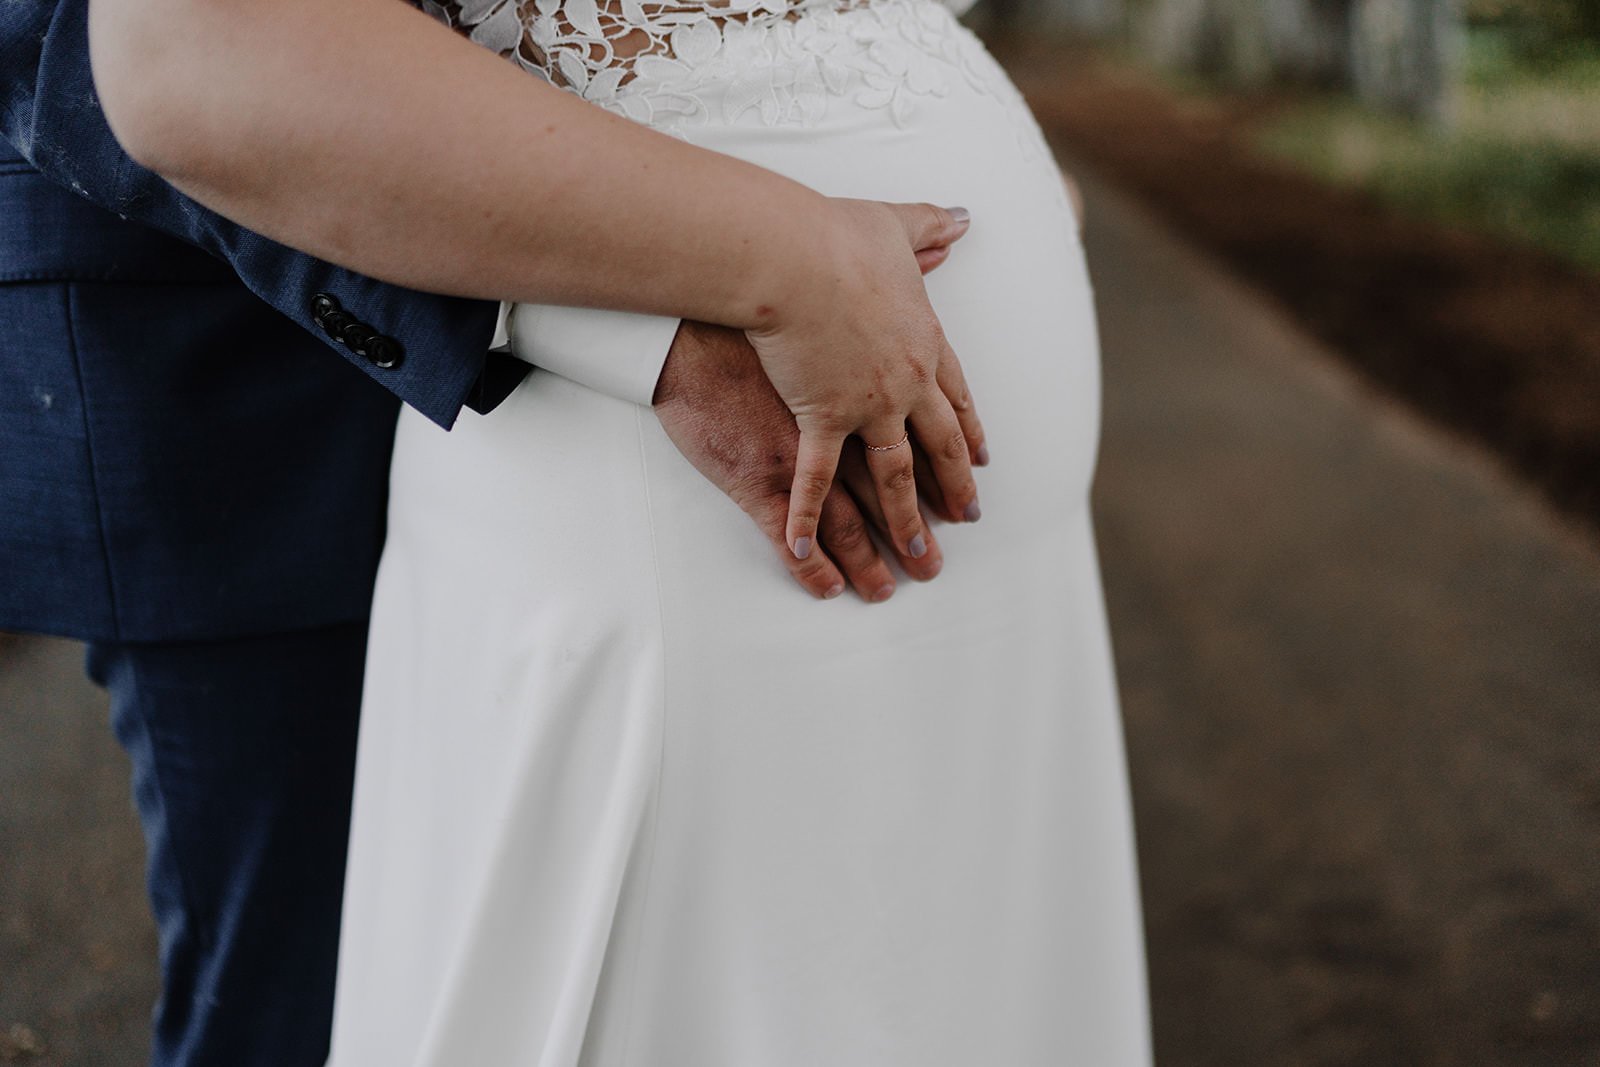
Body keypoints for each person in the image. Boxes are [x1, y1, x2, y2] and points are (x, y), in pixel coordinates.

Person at [2, 3, 978, 1066]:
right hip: (230, 400)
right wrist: (617, 319)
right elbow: (118, 50)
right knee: (300, 987)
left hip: (628, 415)